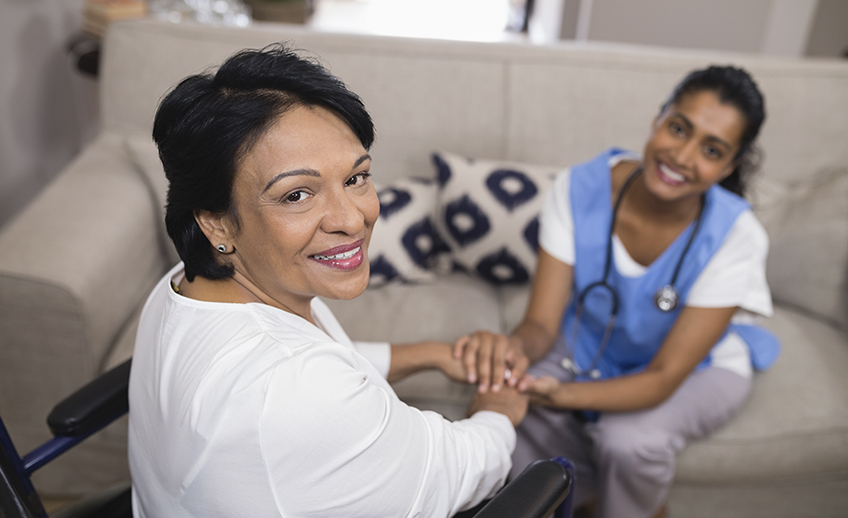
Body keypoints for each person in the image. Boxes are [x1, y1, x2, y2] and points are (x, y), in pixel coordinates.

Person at [127, 44, 528, 518]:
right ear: (217, 223)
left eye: (357, 178)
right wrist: (499, 409)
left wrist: (430, 355)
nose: (351, 220)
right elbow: (454, 470)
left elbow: (313, 360)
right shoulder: (299, 391)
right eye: (296, 194)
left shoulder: (185, 285)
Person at [454, 66, 779, 518]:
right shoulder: (579, 188)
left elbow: (664, 376)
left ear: (730, 166)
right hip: (592, 341)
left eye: (711, 149)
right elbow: (541, 325)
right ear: (658, 118)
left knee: (630, 441)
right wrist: (511, 351)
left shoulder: (736, 235)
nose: (683, 156)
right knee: (505, 395)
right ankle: (584, 498)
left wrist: (565, 395)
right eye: (678, 128)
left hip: (693, 367)